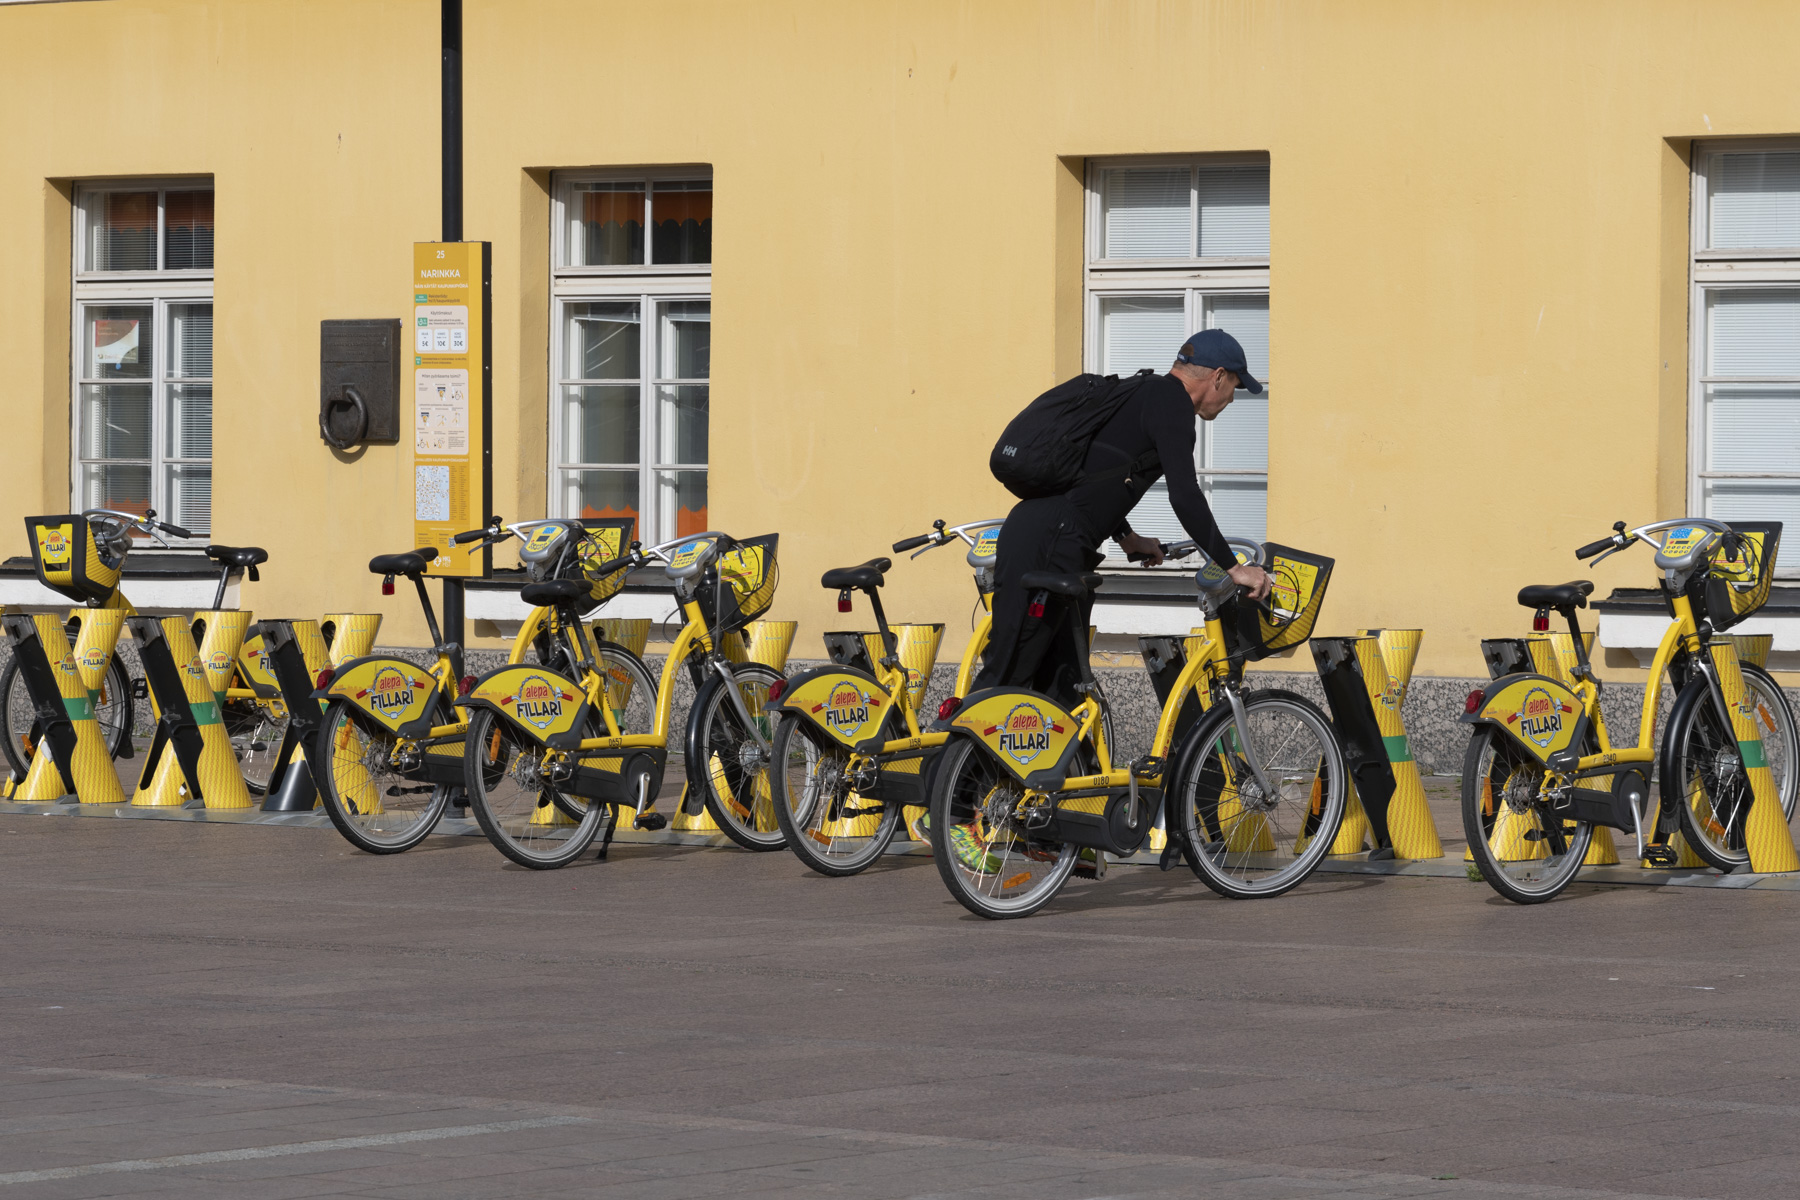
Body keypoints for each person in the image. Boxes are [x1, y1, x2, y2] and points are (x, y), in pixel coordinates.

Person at [971, 329, 1272, 705]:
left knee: (1064, 685)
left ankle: (1053, 765)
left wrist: (1128, 538)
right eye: (1235, 387)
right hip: (1050, 542)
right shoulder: (1173, 405)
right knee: (1009, 675)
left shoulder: (1142, 390)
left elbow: (1095, 476)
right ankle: (954, 762)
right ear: (1218, 376)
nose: (1231, 399)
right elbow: (1186, 496)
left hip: (1053, 535)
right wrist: (1234, 568)